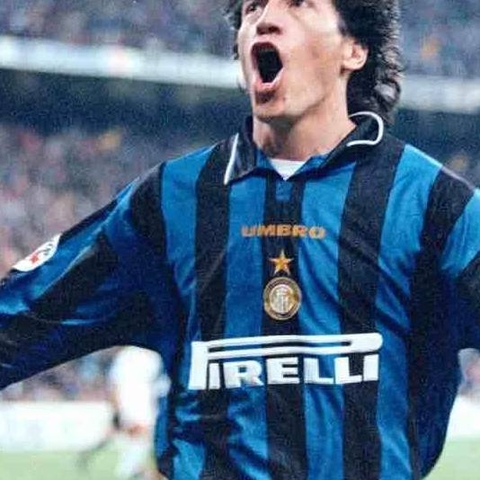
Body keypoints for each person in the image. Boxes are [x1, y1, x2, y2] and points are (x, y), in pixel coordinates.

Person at [0, 0, 479, 478]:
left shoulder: (434, 204)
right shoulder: (169, 200)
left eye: (298, 4)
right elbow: (18, 323)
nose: (264, 19)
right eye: (252, 8)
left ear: (354, 48)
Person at [78, 347, 170, 479]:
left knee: (135, 433)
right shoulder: (133, 355)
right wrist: (116, 406)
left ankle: (138, 470)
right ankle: (130, 469)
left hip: (142, 398)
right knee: (141, 432)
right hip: (132, 399)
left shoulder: (150, 354)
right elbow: (115, 382)